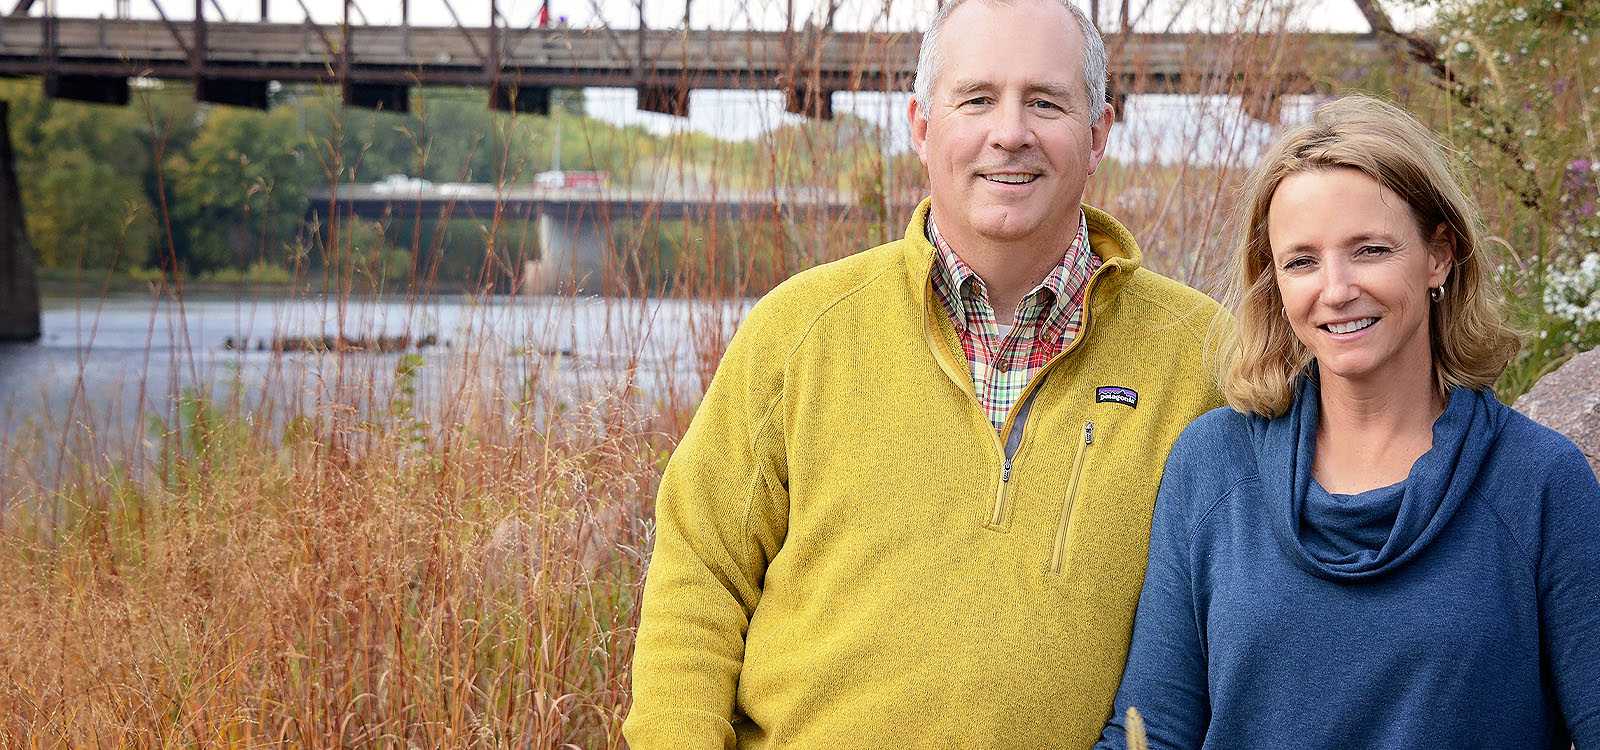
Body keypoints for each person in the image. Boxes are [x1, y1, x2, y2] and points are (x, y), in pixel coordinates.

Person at [622, 0, 1225, 747]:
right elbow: (698, 575)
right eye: (977, 99)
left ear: (1098, 133)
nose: (1010, 132)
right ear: (921, 125)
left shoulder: (1203, 356)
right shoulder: (801, 329)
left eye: (1045, 101)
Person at [1095, 95, 1600, 749]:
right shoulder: (1213, 466)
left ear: (1439, 255)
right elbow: (1154, 729)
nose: (1335, 288)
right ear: (1273, 281)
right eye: (1301, 261)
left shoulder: (1538, 483)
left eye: (1368, 250)